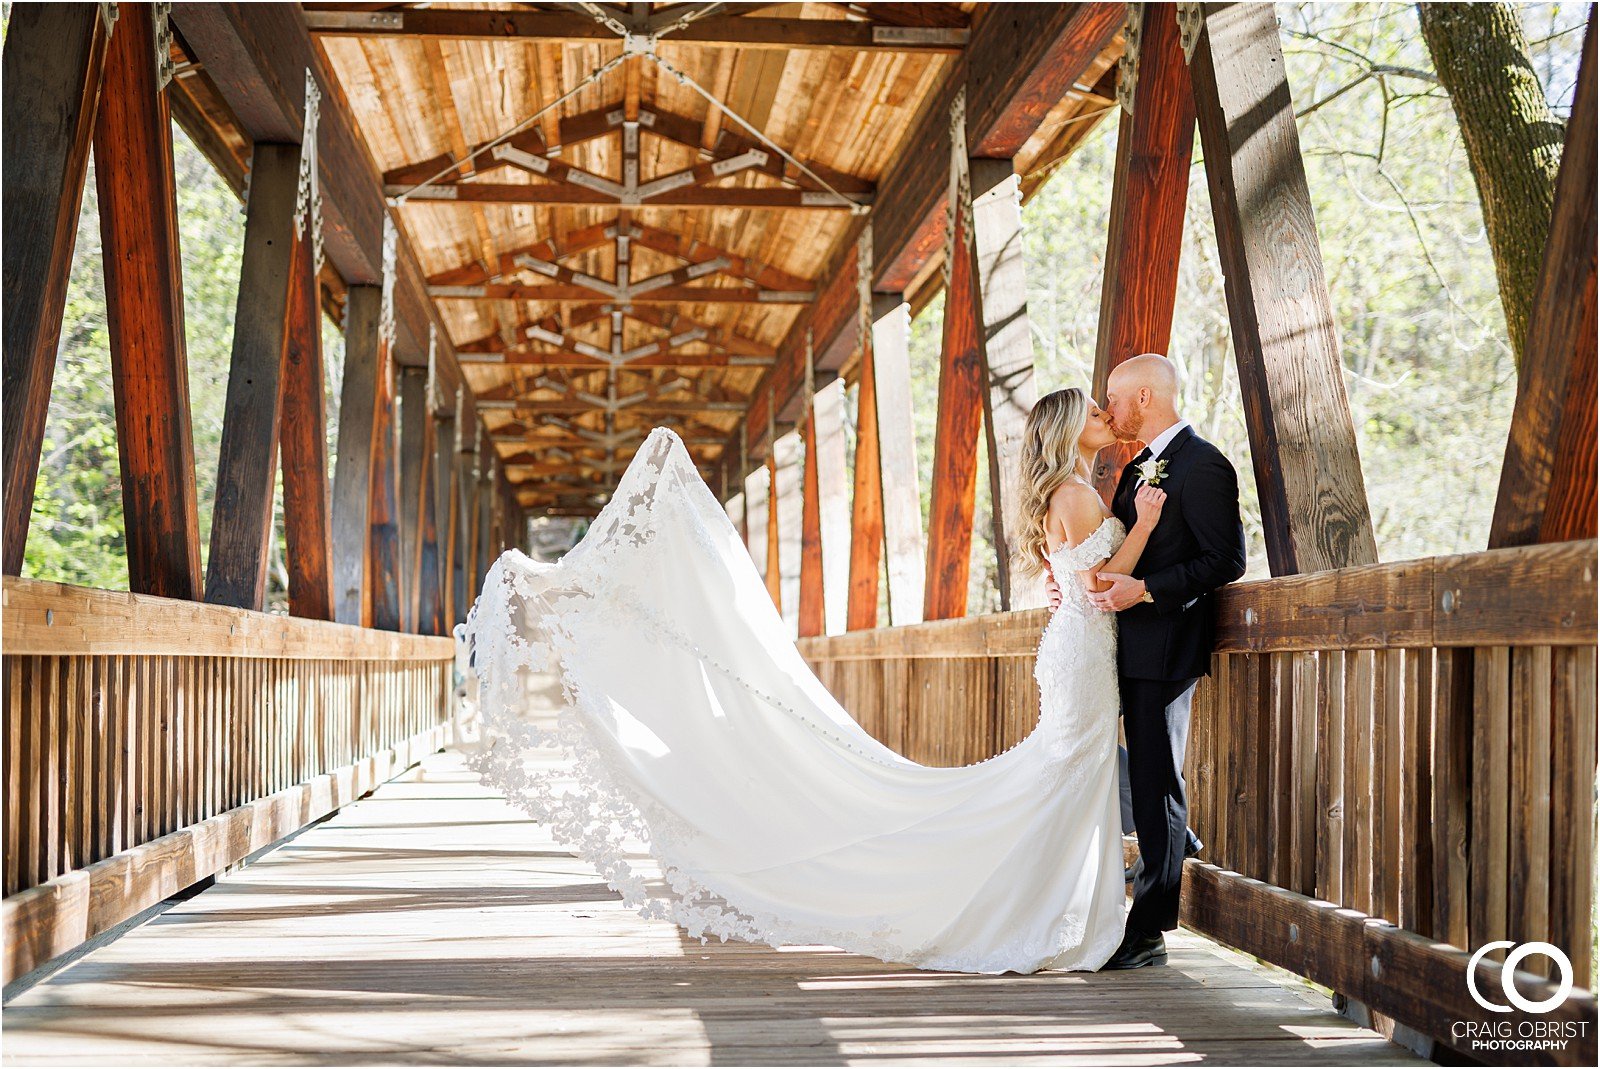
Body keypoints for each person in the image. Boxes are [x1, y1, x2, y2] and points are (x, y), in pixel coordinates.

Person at [458, 388, 1165, 974]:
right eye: (1096, 411)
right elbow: (1103, 581)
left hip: (1076, 649)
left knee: (1063, 777)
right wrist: (1150, 524)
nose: (1107, 415)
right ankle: (1048, 912)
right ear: (1070, 428)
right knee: (1061, 777)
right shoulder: (1075, 494)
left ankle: (1053, 907)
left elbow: (1075, 580)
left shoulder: (1071, 493)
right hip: (1080, 653)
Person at [1047, 354, 1246, 970]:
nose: (1106, 408)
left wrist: (1150, 590)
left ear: (1142, 397)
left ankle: (1150, 928)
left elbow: (1225, 560)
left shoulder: (1204, 464)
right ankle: (1171, 845)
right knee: (1138, 775)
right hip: (1120, 645)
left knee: (1158, 780)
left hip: (1165, 647)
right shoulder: (1137, 466)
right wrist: (1072, 584)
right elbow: (1109, 559)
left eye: (1112, 395)